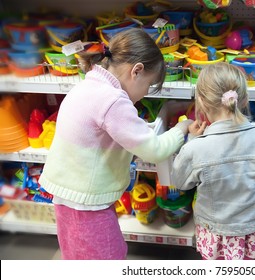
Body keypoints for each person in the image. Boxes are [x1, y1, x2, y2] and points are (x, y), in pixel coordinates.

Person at [38, 28, 192, 260]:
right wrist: (181, 129)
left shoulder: (88, 86)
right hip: (87, 205)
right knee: (109, 257)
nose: (144, 94)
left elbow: (105, 135)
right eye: (148, 86)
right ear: (136, 71)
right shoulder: (113, 100)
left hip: (68, 198)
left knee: (78, 256)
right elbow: (154, 150)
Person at [171, 62, 255, 260]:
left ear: (200, 101)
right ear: (244, 100)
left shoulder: (195, 149)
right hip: (253, 229)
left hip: (214, 232)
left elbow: (180, 181)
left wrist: (191, 140)